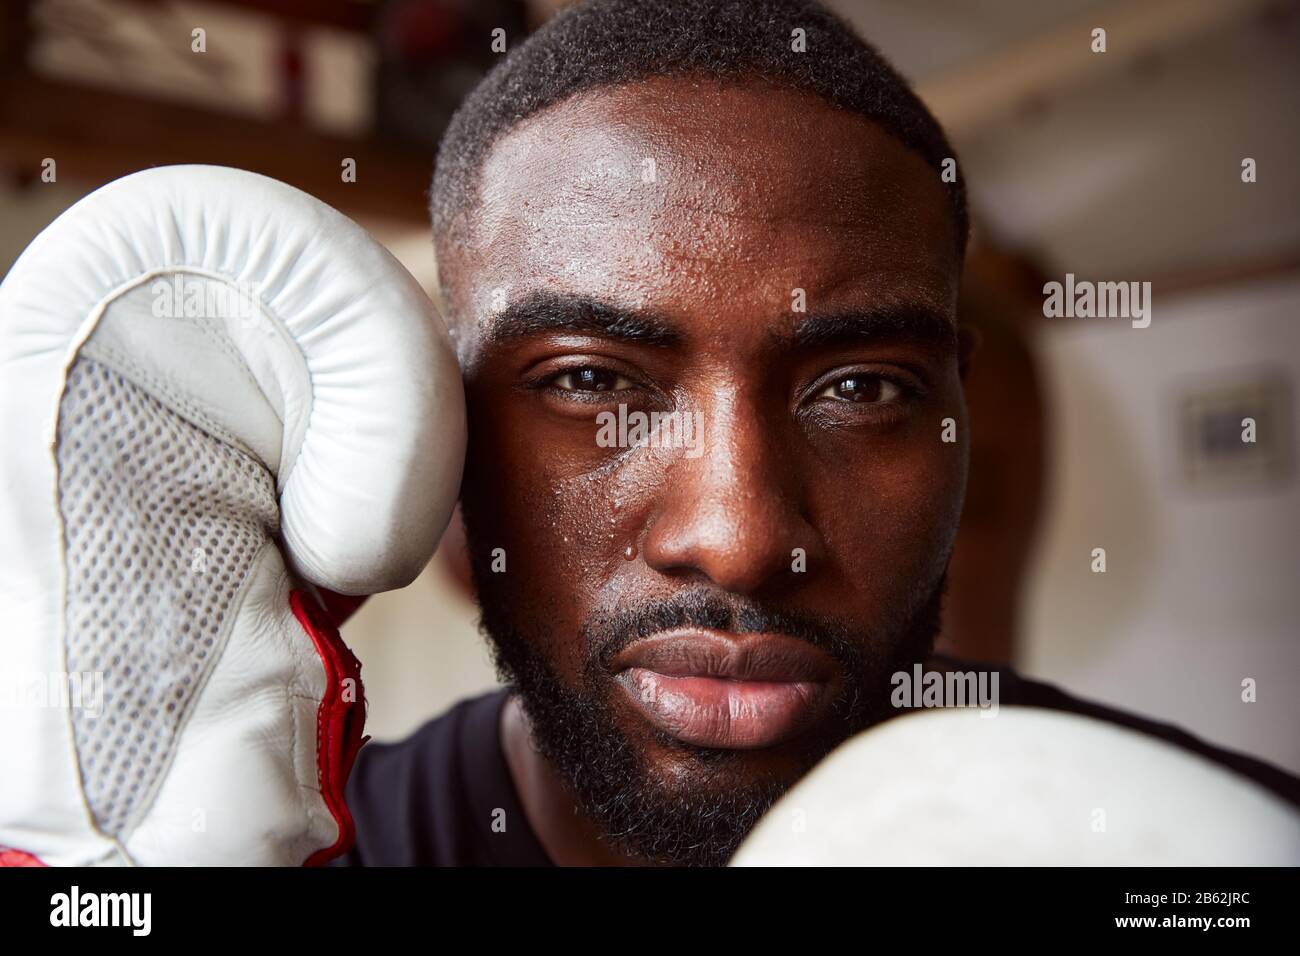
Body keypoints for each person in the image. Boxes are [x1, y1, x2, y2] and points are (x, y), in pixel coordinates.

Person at [334, 0, 1300, 867]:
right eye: (589, 381)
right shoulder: (287, 850)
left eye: (865, 387)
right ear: (444, 419)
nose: (740, 541)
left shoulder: (1206, 845)